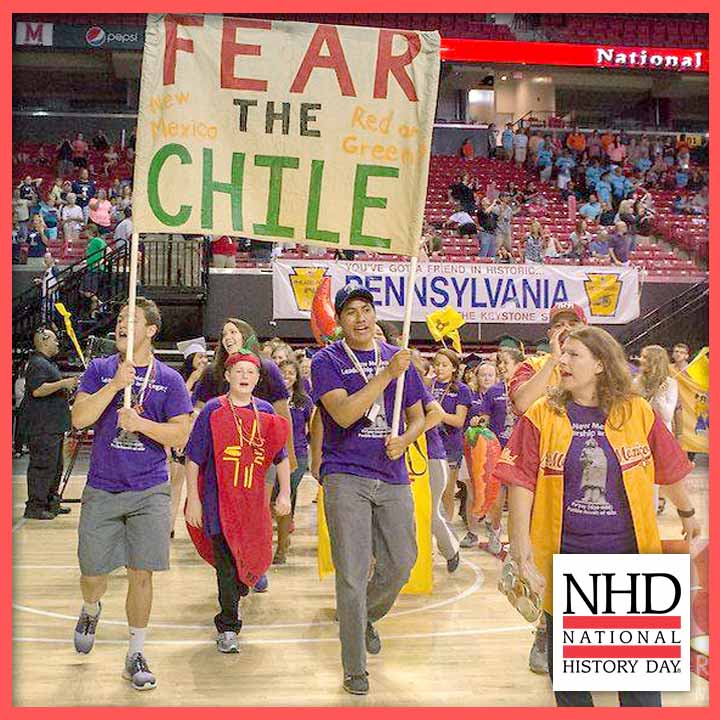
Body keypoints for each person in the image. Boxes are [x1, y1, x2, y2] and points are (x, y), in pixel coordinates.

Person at [495, 325, 700, 707]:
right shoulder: (543, 414)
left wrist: (686, 511)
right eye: (563, 353)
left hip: (631, 562)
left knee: (639, 686)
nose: (563, 361)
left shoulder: (637, 410)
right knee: (572, 686)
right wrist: (521, 550)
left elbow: (667, 465)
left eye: (574, 355)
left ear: (601, 364)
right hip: (566, 560)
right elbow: (521, 482)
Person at [71, 298, 193, 690]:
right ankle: (91, 609)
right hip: (103, 486)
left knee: (141, 573)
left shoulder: (170, 380)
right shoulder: (101, 369)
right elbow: (79, 418)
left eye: (133, 319)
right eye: (121, 318)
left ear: (152, 330)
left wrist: (140, 424)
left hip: (150, 489)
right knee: (93, 573)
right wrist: (114, 386)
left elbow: (180, 435)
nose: (123, 324)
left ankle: (135, 653)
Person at [310, 283, 425, 695]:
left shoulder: (400, 359)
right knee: (353, 573)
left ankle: (365, 617)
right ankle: (354, 666)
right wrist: (385, 375)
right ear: (340, 321)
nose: (361, 318)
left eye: (367, 309)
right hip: (346, 476)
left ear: (375, 315)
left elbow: (419, 416)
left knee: (401, 562)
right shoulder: (325, 361)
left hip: (392, 474)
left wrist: (406, 439)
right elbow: (342, 415)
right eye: (351, 312)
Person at [185, 352, 291, 653]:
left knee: (245, 566)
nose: (244, 376)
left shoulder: (267, 411)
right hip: (218, 502)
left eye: (250, 372)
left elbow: (280, 457)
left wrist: (284, 493)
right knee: (226, 565)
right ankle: (229, 626)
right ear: (228, 376)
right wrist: (193, 499)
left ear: (258, 378)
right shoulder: (214, 411)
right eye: (238, 371)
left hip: (251, 504)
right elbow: (193, 459)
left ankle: (238, 592)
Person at [505, 301, 588, 675]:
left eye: (573, 323)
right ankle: (545, 630)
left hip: (588, 476)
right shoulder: (533, 366)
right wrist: (555, 362)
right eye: (559, 324)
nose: (566, 328)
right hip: (542, 478)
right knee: (549, 559)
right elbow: (523, 403)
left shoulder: (598, 367)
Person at [192, 318, 297, 591]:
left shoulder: (268, 368)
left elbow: (282, 413)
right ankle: (233, 566)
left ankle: (254, 564)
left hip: (261, 455)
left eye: (234, 331)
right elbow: (198, 411)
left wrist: (290, 455)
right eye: (224, 332)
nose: (228, 335)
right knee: (226, 515)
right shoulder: (212, 373)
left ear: (247, 335)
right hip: (223, 460)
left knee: (256, 511)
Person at [467, 346, 524, 554]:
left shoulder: (528, 389)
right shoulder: (494, 391)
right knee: (497, 500)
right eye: (499, 362)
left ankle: (518, 541)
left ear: (519, 365)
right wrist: (478, 421)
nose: (501, 366)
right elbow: (486, 417)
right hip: (498, 452)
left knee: (519, 503)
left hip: (522, 453)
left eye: (505, 362)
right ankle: (495, 531)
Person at [21, 328, 78, 519]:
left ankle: (51, 501)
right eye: (54, 340)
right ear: (44, 341)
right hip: (42, 426)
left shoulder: (46, 363)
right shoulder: (37, 364)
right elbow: (37, 390)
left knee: (55, 466)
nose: (57, 344)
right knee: (43, 466)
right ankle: (35, 507)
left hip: (52, 425)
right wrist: (63, 384)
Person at [412, 353, 460, 572]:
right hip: (410, 459)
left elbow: (439, 415)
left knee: (431, 511)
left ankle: (451, 550)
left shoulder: (424, 394)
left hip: (433, 457)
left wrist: (409, 434)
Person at [168, 338, 209, 537]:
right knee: (171, 481)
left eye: (205, 357)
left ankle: (172, 526)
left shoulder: (209, 380)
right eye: (199, 357)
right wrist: (192, 379)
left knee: (182, 482)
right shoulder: (177, 379)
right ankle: (164, 524)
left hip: (197, 434)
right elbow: (176, 401)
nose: (203, 361)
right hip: (177, 435)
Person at [275, 358, 313, 563]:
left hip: (297, 454)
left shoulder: (304, 401)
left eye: (291, 373)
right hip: (274, 455)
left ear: (297, 377)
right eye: (283, 373)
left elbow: (313, 427)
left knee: (286, 495)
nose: (286, 377)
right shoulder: (270, 399)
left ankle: (281, 549)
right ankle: (283, 538)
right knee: (276, 499)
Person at [431, 348, 472, 530]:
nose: (440, 368)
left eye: (444, 365)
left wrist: (438, 415)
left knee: (447, 491)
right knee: (431, 492)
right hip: (429, 444)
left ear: (454, 368)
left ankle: (446, 531)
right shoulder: (428, 385)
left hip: (450, 447)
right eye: (437, 364)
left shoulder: (462, 390)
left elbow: (458, 421)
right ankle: (431, 531)